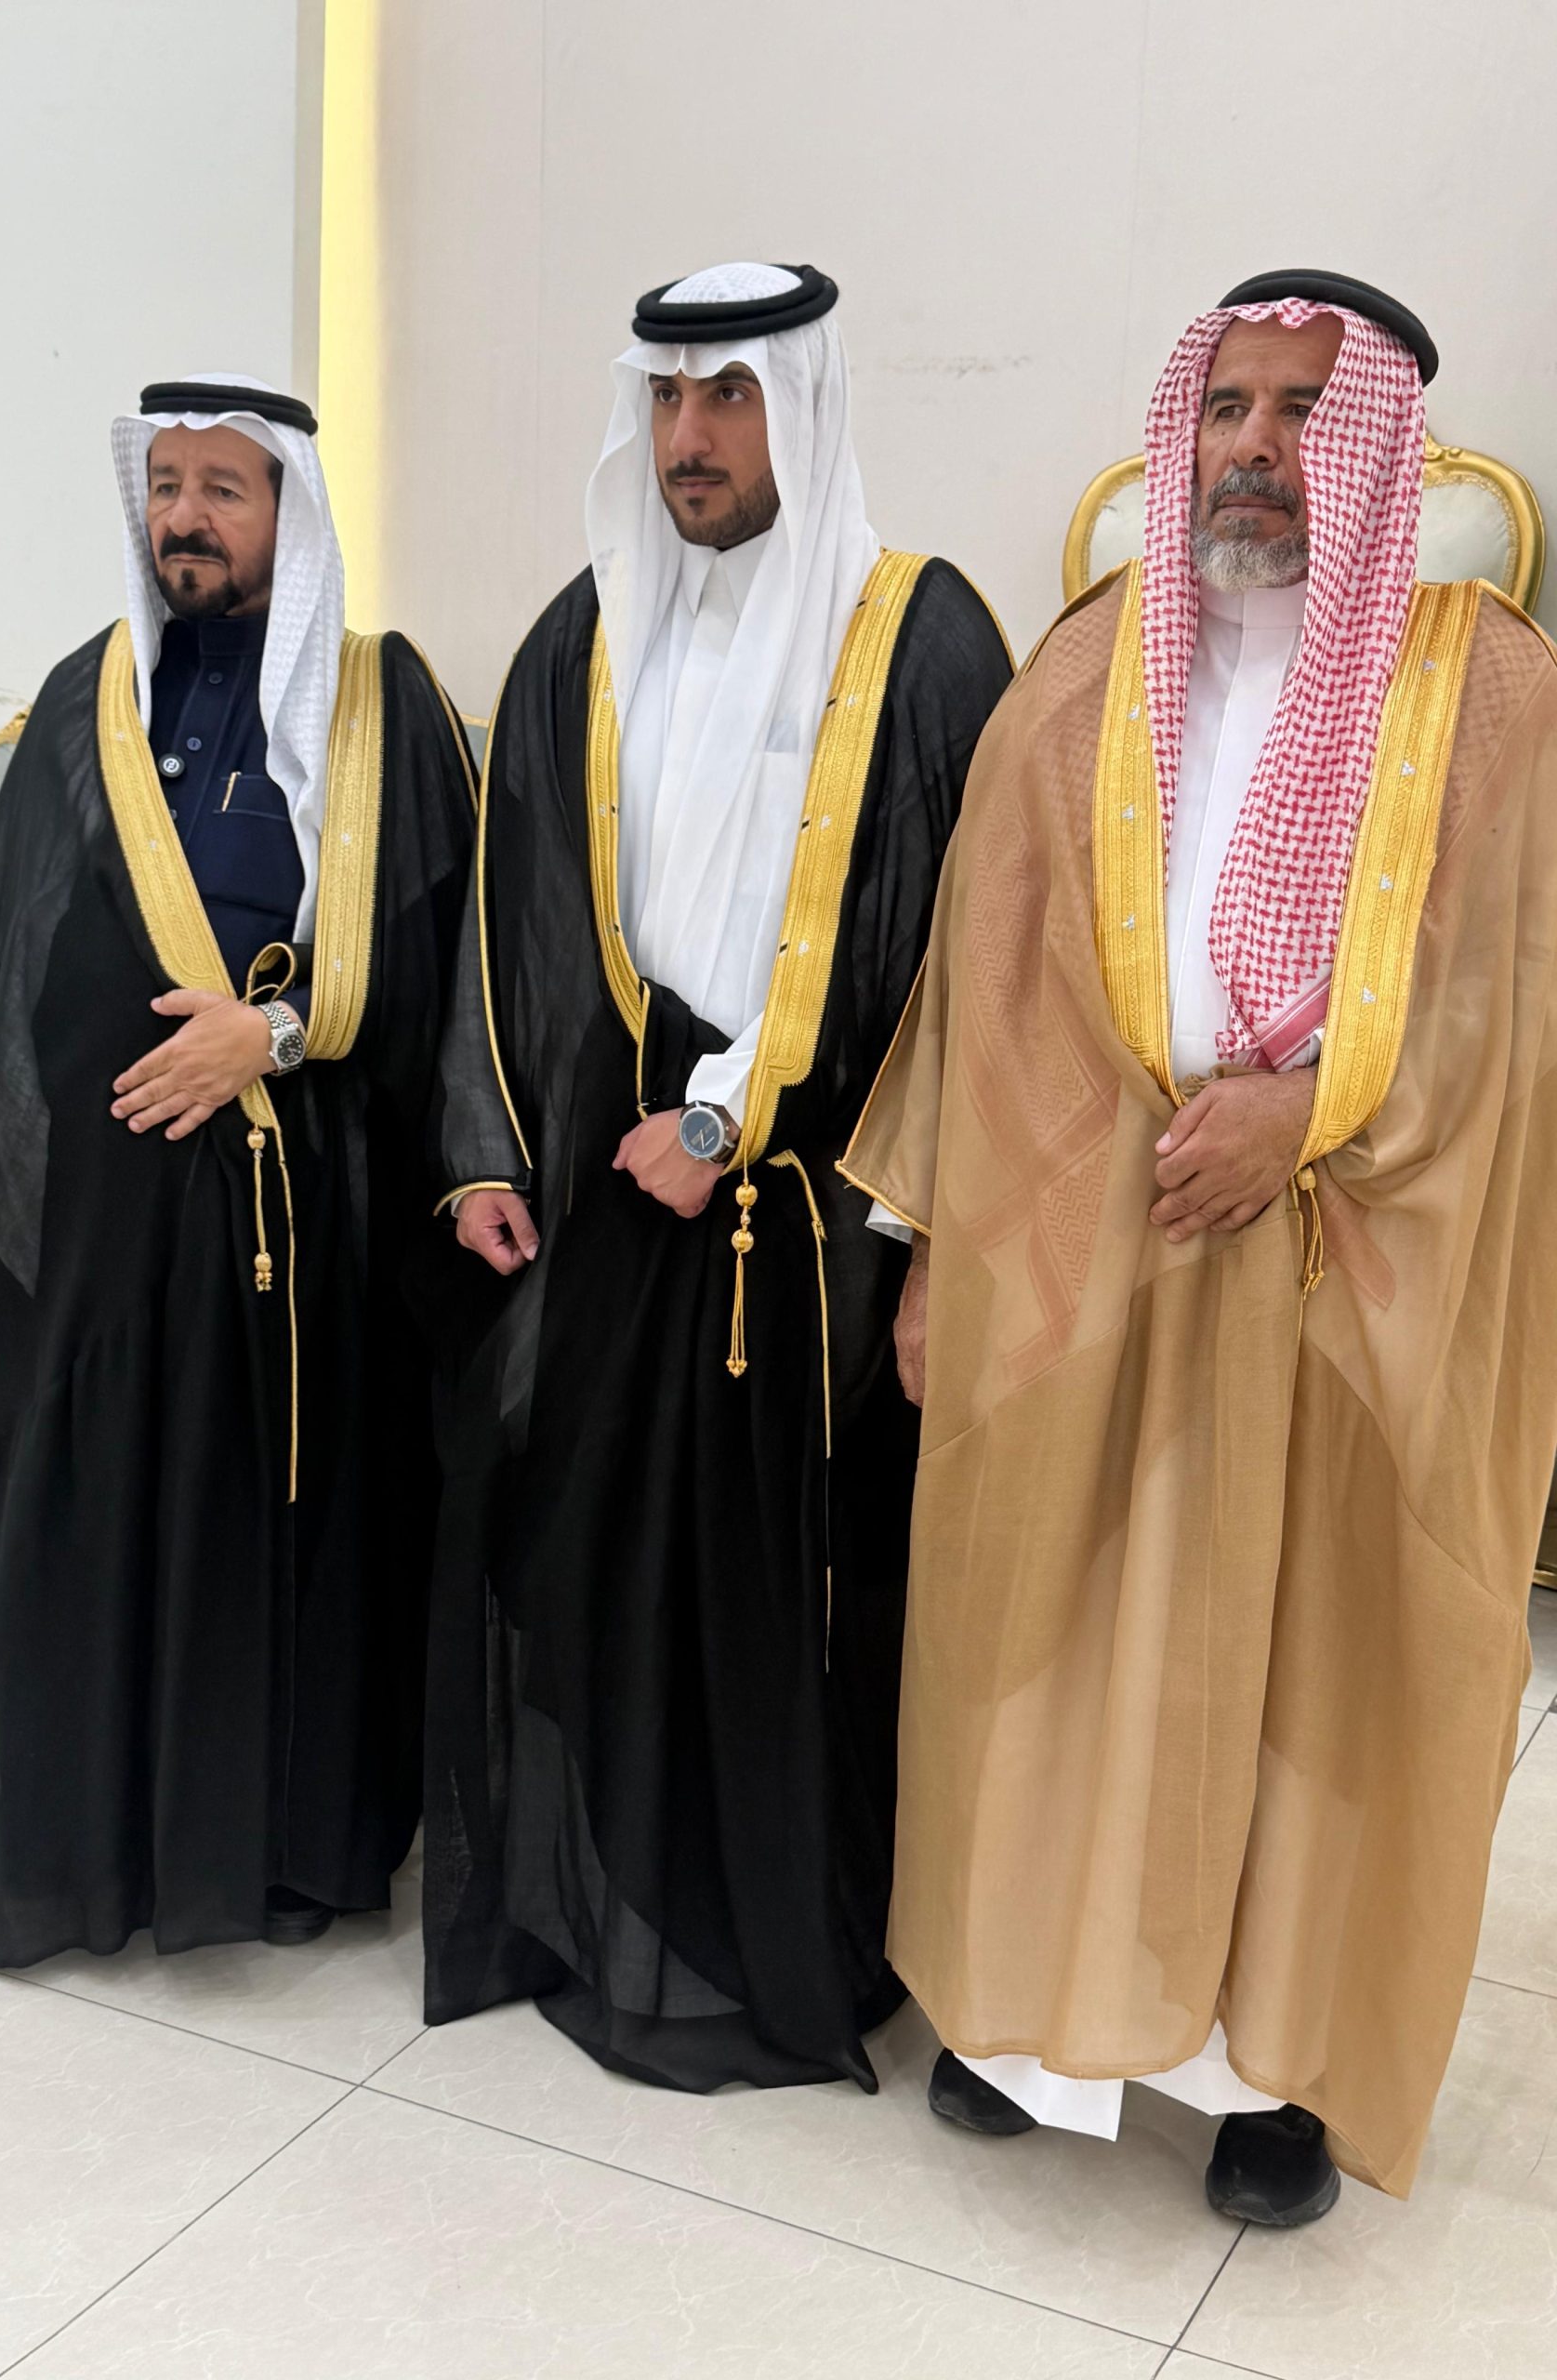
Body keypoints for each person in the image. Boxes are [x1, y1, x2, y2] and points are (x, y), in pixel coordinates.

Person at [843, 271, 1557, 2216]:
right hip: (1084, 1241)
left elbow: (1513, 1004)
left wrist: (1305, 1109)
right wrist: (937, 1250)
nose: (1256, 446)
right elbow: (982, 976)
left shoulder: (1487, 694)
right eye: (1229, 405)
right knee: (1045, 1631)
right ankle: (1016, 2018)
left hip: (1344, 1257)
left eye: (1304, 411)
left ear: (1386, 444)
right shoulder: (1088, 666)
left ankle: (1271, 2077)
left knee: (1305, 1668)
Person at [425, 262, 1013, 2092]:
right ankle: (612, 1884)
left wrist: (738, 1116)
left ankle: (786, 1930)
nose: (693, 438)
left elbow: (959, 946)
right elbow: (516, 904)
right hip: (614, 1179)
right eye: (669, 400)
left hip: (822, 1206)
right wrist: (486, 1144)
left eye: (732, 398)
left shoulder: (920, 640)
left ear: (803, 406)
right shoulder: (588, 631)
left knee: (793, 1576)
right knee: (593, 1530)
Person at [0, 375, 477, 1964]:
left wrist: (265, 1036)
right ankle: (89, 1839)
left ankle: (262, 1850)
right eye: (167, 488)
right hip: (93, 1217)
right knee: (87, 1513)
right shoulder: (90, 691)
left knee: (254, 1522)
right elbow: (4, 951)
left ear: (290, 508)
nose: (187, 519)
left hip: (292, 1213)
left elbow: (441, 962)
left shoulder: (380, 704)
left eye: (224, 488)